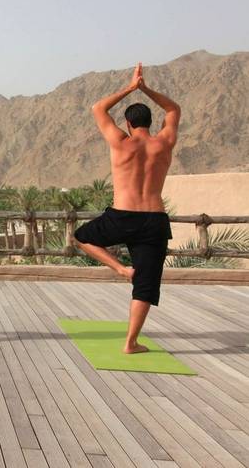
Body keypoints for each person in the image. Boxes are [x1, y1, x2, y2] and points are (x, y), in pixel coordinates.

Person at [74, 62, 180, 354]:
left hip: (122, 217)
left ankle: (121, 270)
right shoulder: (164, 143)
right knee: (145, 285)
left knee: (82, 237)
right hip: (154, 220)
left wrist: (131, 87)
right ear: (150, 122)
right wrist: (147, 89)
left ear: (129, 124)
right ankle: (130, 343)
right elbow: (173, 110)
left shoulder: (121, 142)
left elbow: (98, 108)